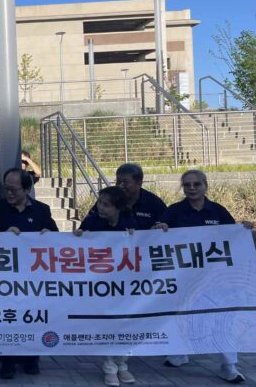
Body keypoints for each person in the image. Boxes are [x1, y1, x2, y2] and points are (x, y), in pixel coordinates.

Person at [153, 169, 249, 383]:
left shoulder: (218, 211)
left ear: (205, 186)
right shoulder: (174, 211)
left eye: (196, 184)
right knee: (181, 315)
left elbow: (232, 236)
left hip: (214, 277)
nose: (192, 188)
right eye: (187, 185)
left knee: (220, 317)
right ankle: (180, 353)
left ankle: (229, 366)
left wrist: (243, 229)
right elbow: (158, 234)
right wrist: (160, 228)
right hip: (184, 275)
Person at [0, 169, 58, 379]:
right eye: (6, 188)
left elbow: (56, 237)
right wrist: (1, 236)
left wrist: (48, 235)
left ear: (27, 189)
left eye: (14, 189)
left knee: (32, 317)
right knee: (8, 318)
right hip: (4, 277)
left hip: (33, 277)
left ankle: (32, 358)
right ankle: (7, 361)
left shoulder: (41, 210)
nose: (9, 193)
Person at [74, 186, 136, 387]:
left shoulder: (130, 223)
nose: (101, 207)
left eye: (106, 205)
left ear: (118, 207)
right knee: (107, 323)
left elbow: (142, 247)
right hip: (100, 283)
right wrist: (79, 235)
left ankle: (123, 364)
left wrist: (135, 237)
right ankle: (109, 366)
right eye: (100, 202)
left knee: (125, 324)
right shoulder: (92, 222)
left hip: (125, 284)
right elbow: (79, 243)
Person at [88, 163, 166, 230]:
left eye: (125, 182)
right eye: (118, 181)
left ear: (139, 183)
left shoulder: (154, 204)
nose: (120, 186)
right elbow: (88, 224)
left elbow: (166, 228)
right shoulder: (107, 200)